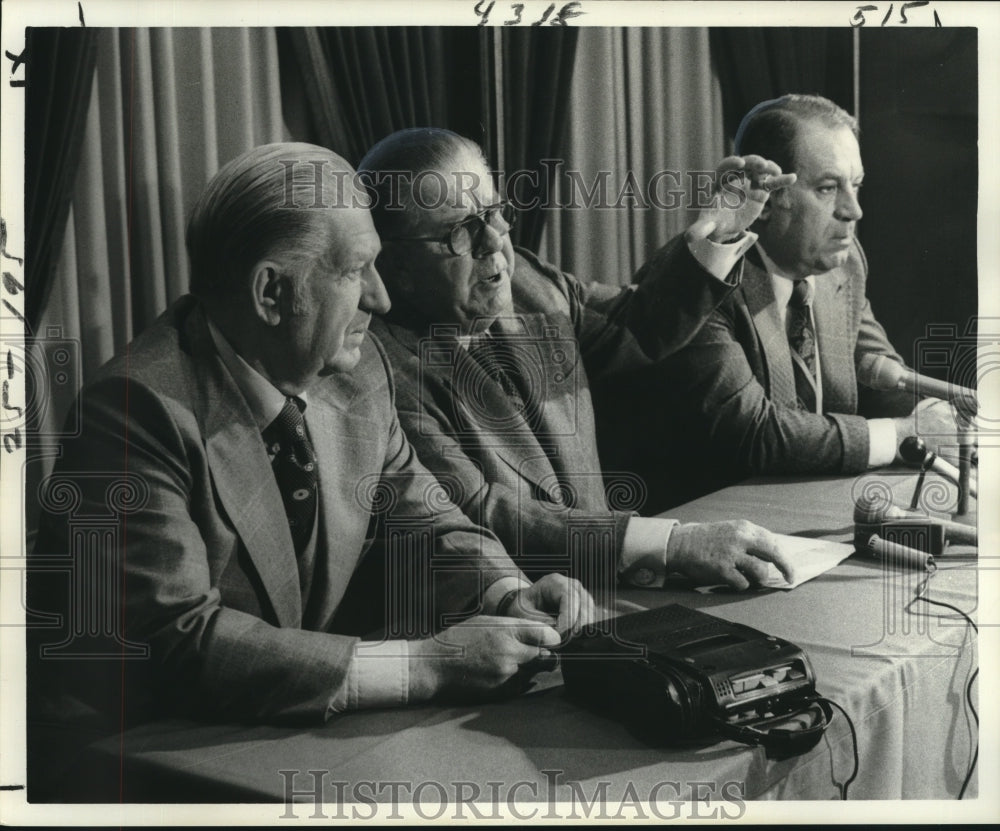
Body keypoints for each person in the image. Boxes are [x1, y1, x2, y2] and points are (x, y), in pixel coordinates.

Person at [27, 143, 595, 740]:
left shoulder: (357, 369)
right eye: (354, 271)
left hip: (275, 730)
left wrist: (508, 596)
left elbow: (427, 524)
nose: (381, 298)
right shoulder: (133, 412)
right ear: (271, 294)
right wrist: (425, 666)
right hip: (129, 751)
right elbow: (179, 642)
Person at [359, 127, 796, 593]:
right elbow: (484, 512)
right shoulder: (378, 370)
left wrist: (722, 228)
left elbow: (635, 326)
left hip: (614, 588)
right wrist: (671, 543)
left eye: (493, 212)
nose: (495, 242)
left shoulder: (527, 282)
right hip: (510, 621)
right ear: (394, 266)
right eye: (459, 232)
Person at [616, 94, 961, 496]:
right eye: (828, 188)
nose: (854, 211)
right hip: (704, 520)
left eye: (857, 186)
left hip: (810, 509)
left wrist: (940, 422)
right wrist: (902, 435)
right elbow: (754, 433)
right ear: (765, 199)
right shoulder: (701, 278)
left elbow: (881, 380)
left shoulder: (843, 266)